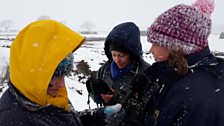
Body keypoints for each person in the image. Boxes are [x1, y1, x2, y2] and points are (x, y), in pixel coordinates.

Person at [135, 0, 224, 125]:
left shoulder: (193, 94)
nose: (151, 50)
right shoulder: (179, 76)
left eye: (155, 42)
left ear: (175, 46)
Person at [0, 20, 105, 126]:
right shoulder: (12, 120)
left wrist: (97, 117)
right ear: (33, 73)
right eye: (54, 75)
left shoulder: (46, 95)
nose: (61, 84)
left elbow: (61, 121)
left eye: (64, 74)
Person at [87, 22, 150, 126]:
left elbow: (148, 109)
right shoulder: (104, 69)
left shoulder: (145, 73)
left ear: (132, 53)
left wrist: (115, 99)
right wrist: (96, 95)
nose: (117, 60)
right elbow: (101, 104)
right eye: (114, 55)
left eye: (121, 55)